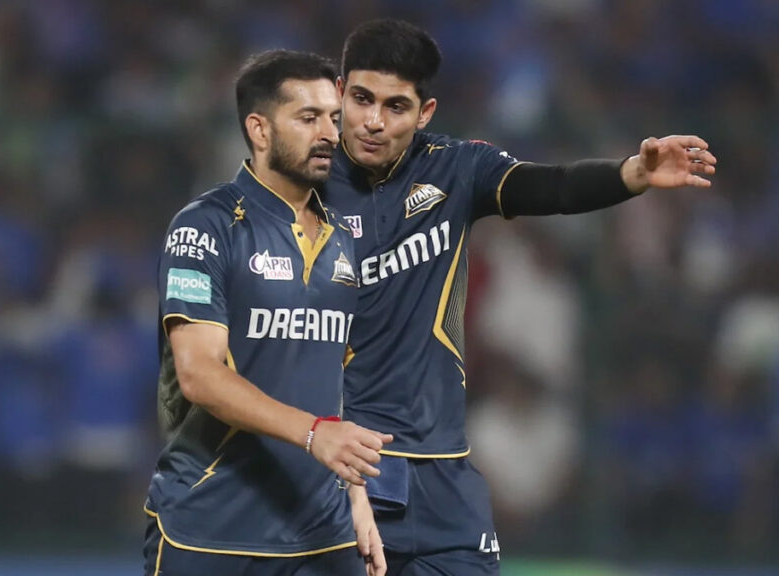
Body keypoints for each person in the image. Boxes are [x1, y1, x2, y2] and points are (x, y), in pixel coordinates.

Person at [324, 19, 717, 576]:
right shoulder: (298, 185)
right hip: (342, 469)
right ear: (339, 93)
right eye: (362, 99)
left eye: (396, 106)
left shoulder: (457, 168)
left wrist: (633, 173)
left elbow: (551, 186)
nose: (374, 121)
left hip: (443, 472)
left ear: (425, 112)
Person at [143, 49, 393, 576]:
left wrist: (358, 496)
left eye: (333, 118)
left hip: (324, 536)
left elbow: (342, 380)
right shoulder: (205, 227)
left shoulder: (346, 238)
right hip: (211, 530)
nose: (328, 134)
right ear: (259, 129)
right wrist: (313, 433)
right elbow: (199, 374)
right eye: (308, 118)